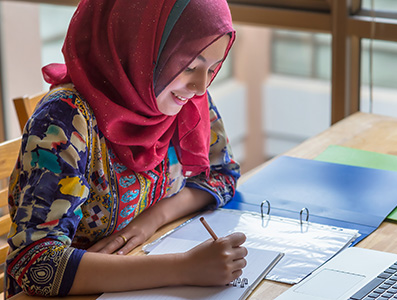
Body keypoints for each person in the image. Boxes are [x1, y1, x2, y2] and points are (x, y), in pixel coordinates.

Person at [6, 0, 246, 297]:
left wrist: (151, 220)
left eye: (212, 69)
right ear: (139, 49)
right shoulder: (65, 120)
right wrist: (182, 268)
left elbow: (222, 173)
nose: (200, 86)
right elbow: (36, 264)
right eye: (189, 66)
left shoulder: (182, 101)